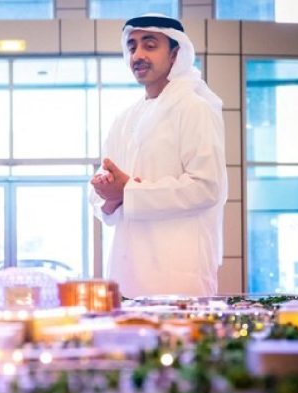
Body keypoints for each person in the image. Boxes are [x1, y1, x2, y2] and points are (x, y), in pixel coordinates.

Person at [89, 14, 227, 297]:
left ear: (176, 54)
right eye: (132, 47)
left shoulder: (194, 109)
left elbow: (206, 187)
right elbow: (101, 189)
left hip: (179, 278)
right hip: (126, 276)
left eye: (149, 45)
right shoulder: (125, 119)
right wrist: (108, 195)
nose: (138, 55)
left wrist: (128, 190)